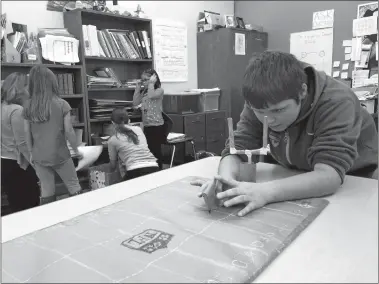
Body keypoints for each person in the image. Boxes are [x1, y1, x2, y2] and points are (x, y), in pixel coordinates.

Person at [192, 51, 378, 217]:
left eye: (279, 111)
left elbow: (329, 176)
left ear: (303, 91)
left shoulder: (337, 101)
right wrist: (226, 180)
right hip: (293, 173)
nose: (269, 120)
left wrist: (265, 192)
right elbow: (238, 147)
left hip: (355, 181)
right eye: (259, 111)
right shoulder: (260, 100)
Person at [23, 65, 83, 205]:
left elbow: (27, 133)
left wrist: (31, 152)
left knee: (46, 190)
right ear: (52, 82)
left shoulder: (28, 107)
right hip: (60, 154)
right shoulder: (62, 104)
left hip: (39, 155)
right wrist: (76, 150)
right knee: (73, 185)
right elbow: (69, 131)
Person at [1, 72, 40, 214]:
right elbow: (23, 144)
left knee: (17, 206)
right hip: (19, 165)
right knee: (29, 206)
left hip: (5, 163)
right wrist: (37, 167)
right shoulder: (17, 111)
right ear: (21, 89)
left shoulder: (3, 107)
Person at [108, 107, 159, 180]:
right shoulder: (139, 129)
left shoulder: (112, 140)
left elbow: (113, 166)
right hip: (154, 167)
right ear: (129, 121)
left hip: (135, 171)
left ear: (112, 122)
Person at [132, 68, 165, 169]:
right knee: (149, 149)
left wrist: (151, 83)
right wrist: (137, 89)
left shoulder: (159, 90)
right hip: (147, 125)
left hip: (156, 125)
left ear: (154, 79)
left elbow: (151, 96)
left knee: (155, 150)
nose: (144, 82)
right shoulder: (145, 92)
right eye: (143, 80)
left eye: (147, 79)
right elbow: (135, 103)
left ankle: (159, 169)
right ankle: (152, 170)